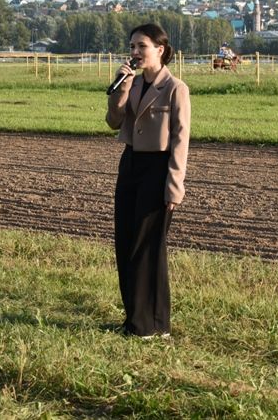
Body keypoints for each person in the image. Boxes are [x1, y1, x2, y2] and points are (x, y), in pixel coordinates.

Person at [106, 23, 191, 339]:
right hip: (130, 165)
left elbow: (181, 140)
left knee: (148, 248)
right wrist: (121, 90)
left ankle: (152, 325)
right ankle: (135, 320)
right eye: (131, 47)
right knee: (125, 243)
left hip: (158, 169)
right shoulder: (132, 84)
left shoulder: (175, 88)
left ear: (160, 49)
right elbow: (113, 121)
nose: (135, 52)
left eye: (141, 46)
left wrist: (174, 185)